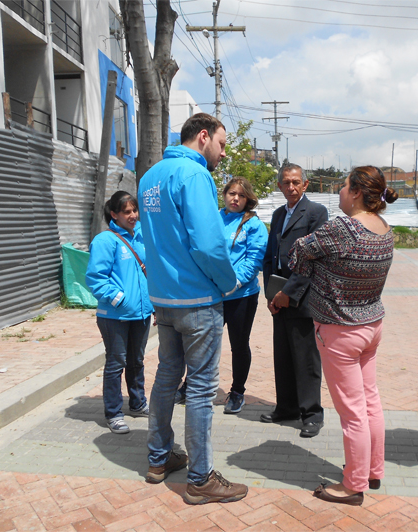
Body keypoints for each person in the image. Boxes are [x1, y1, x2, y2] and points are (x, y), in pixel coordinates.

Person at [138, 113, 248, 505]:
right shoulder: (195, 175)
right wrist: (228, 282)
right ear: (203, 137)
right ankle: (200, 478)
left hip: (163, 299)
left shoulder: (150, 175)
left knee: (167, 376)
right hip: (197, 300)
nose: (221, 152)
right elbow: (207, 244)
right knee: (201, 388)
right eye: (220, 143)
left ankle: (159, 457)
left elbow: (148, 236)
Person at [289, 166, 397, 506]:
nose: (338, 192)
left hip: (341, 331)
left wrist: (314, 270)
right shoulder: (384, 228)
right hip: (371, 325)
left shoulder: (342, 228)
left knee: (352, 412)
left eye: (343, 186)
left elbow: (297, 253)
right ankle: (373, 471)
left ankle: (353, 485)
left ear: (355, 193)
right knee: (370, 402)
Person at [174, 178, 268, 415]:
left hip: (241, 295)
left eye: (241, 195)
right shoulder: (213, 218)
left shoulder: (253, 224)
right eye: (231, 193)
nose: (235, 199)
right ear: (224, 195)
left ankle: (237, 392)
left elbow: (254, 260)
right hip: (212, 294)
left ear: (248, 200)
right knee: (202, 343)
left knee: (239, 344)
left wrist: (233, 283)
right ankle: (190, 385)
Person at [261, 163, 328, 438]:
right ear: (280, 186)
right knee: (284, 355)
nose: (291, 187)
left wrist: (288, 293)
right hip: (279, 297)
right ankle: (286, 407)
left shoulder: (315, 213)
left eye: (295, 182)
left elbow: (313, 259)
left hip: (303, 298)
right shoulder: (278, 215)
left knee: (306, 358)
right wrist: (271, 294)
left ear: (305, 184)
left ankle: (311, 413)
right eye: (286, 182)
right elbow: (269, 257)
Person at [86, 191, 153, 435]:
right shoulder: (106, 240)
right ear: (114, 214)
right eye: (127, 212)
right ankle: (114, 413)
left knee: (137, 361)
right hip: (115, 316)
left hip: (142, 314)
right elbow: (95, 279)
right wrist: (119, 299)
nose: (133, 215)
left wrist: (151, 304)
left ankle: (137, 404)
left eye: (135, 210)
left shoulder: (142, 237)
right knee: (116, 363)